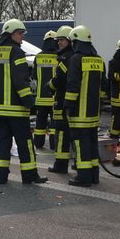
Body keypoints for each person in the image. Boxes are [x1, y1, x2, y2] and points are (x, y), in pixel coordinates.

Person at [0, 19, 43, 185]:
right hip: (15, 108)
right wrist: (29, 101)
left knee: (3, 141)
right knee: (25, 142)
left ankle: (1, 176)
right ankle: (30, 175)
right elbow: (20, 80)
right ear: (10, 33)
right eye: (20, 34)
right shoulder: (16, 52)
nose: (22, 38)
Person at [65, 25, 105, 186]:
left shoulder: (75, 59)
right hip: (93, 113)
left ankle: (83, 177)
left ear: (76, 42)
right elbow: (104, 86)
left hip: (79, 113)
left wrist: (67, 105)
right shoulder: (98, 60)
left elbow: (73, 86)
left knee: (81, 146)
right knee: (92, 144)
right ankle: (94, 175)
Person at [47, 25, 74, 175]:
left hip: (62, 101)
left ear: (69, 41)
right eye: (58, 40)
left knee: (62, 132)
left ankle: (61, 165)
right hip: (72, 102)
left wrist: (49, 85)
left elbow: (59, 80)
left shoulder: (65, 58)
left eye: (62, 40)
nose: (59, 43)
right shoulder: (74, 56)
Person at [32, 31, 59, 149]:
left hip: (41, 97)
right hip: (54, 97)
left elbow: (34, 77)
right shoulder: (59, 56)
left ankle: (38, 142)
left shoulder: (38, 57)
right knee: (54, 123)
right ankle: (53, 144)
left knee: (40, 122)